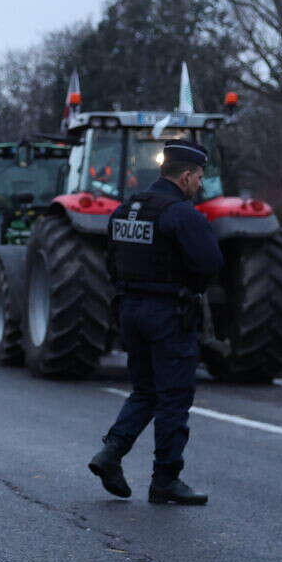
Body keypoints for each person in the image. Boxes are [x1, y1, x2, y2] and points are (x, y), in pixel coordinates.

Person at [88, 140, 223, 505]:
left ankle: (111, 453)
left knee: (146, 390)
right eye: (197, 178)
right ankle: (165, 478)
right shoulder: (180, 213)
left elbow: (110, 261)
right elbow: (211, 263)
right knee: (174, 396)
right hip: (167, 313)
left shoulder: (126, 209)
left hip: (131, 309)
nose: (199, 185)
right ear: (185, 176)